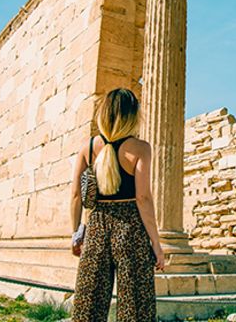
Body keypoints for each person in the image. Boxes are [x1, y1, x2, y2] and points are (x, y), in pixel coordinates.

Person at [69, 88, 164, 322]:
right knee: (136, 305)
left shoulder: (88, 148)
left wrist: (76, 234)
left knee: (88, 304)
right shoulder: (141, 148)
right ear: (132, 115)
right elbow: (143, 198)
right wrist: (156, 243)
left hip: (97, 225)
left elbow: (75, 195)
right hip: (131, 227)